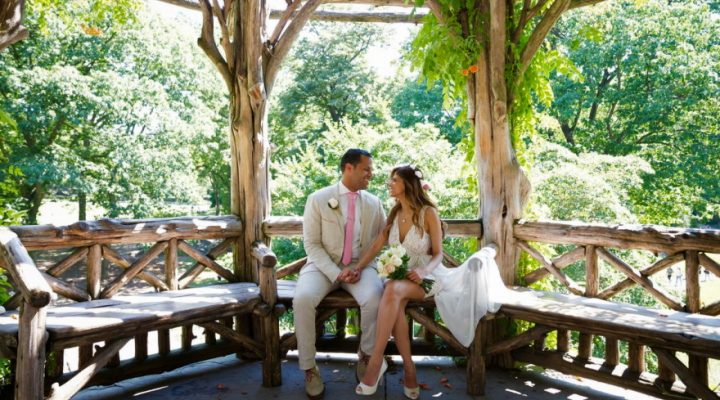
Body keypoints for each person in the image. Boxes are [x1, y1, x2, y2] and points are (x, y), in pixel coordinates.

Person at [353, 165, 509, 398]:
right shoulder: (394, 214)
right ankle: (409, 369)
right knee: (393, 294)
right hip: (399, 278)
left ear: (407, 184)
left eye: (394, 180)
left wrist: (424, 271)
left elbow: (438, 253)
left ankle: (375, 363)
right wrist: (355, 269)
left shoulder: (428, 213)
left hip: (428, 277)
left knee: (391, 290)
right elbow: (377, 245)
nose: (389, 184)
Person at [294, 148, 386, 399]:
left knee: (375, 296)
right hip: (323, 267)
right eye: (366, 169)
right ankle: (309, 368)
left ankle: (366, 356)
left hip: (362, 266)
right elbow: (311, 244)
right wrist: (336, 273)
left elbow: (384, 238)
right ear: (349, 168)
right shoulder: (318, 198)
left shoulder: (375, 203)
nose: (371, 174)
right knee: (302, 299)